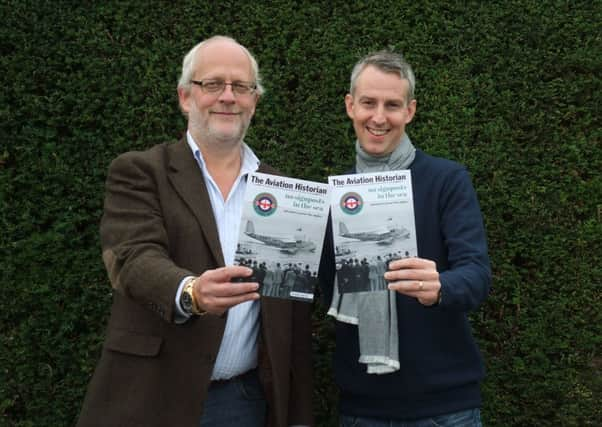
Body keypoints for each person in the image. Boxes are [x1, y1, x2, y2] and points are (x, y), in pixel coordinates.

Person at [77, 36, 313, 427]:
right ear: (185, 96)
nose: (228, 96)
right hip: (152, 395)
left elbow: (292, 311)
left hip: (242, 402)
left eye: (241, 86)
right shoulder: (140, 171)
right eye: (213, 84)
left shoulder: (282, 190)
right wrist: (191, 292)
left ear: (254, 100)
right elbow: (133, 258)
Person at [319, 51, 491, 426]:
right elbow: (319, 289)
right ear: (350, 106)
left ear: (409, 111)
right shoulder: (334, 196)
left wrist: (441, 286)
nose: (379, 117)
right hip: (362, 408)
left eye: (392, 105)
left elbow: (477, 274)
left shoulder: (447, 180)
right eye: (368, 103)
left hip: (446, 409)